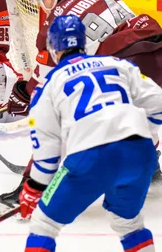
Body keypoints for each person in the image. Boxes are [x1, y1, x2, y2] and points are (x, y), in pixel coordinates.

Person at [0, 0, 162, 213]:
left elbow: (46, 83)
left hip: (128, 59)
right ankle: (149, 166)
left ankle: (30, 190)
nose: (41, 3)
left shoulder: (56, 25)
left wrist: (23, 93)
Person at [19, 14, 160, 252]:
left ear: (53, 48)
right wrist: (147, 138)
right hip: (140, 153)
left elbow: (47, 149)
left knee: (44, 224)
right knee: (129, 224)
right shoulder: (117, 64)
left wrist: (34, 188)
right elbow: (158, 102)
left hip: (91, 155)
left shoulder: (49, 84)